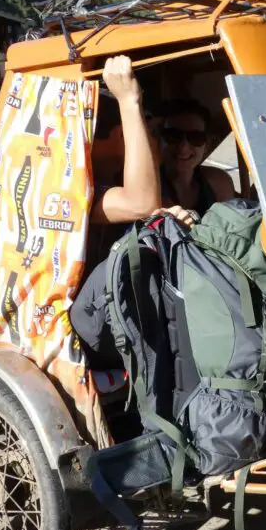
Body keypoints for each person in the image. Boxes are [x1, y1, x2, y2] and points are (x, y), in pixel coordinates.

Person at [71, 57, 194, 370]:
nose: (153, 141)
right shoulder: (68, 182)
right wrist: (128, 101)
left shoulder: (117, 179)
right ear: (119, 136)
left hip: (123, 312)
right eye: (148, 131)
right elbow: (142, 204)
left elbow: (154, 206)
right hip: (91, 327)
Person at [156, 99, 235, 215]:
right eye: (173, 136)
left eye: (195, 138)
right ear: (159, 140)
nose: (183, 147)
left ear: (206, 145)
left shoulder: (219, 183)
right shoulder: (148, 189)